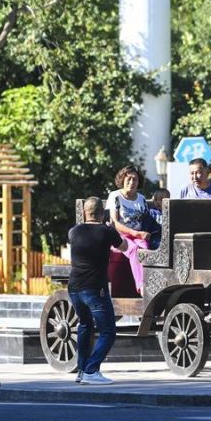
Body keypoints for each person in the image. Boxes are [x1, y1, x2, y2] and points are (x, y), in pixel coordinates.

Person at [68, 197, 127, 385]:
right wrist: (113, 229)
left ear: (84, 213)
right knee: (108, 331)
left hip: (74, 288)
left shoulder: (73, 231)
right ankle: (91, 370)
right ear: (102, 214)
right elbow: (124, 247)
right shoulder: (107, 231)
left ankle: (81, 370)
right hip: (95, 288)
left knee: (85, 325)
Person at [107, 165, 151, 294]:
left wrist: (145, 233)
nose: (132, 182)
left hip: (138, 236)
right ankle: (141, 286)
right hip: (119, 236)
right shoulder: (115, 196)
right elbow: (115, 222)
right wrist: (134, 233)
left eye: (135, 179)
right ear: (122, 180)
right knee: (134, 249)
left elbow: (146, 219)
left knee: (145, 247)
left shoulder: (141, 198)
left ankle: (151, 284)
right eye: (129, 179)